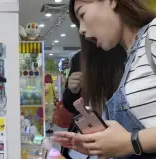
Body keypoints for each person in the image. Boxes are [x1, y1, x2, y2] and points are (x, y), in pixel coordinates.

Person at [54, 0, 156, 159]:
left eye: (82, 14)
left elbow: (131, 141)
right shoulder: (132, 57)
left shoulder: (153, 35)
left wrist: (130, 142)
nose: (81, 30)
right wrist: (105, 145)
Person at [61, 46, 126, 159]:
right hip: (83, 141)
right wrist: (72, 91)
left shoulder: (126, 54)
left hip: (120, 140)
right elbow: (69, 104)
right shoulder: (80, 57)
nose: (83, 31)